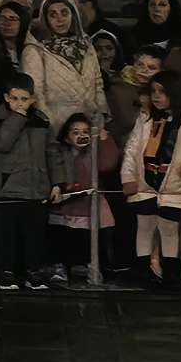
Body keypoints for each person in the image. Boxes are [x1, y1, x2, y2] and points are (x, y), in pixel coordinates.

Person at [122, 72, 181, 284]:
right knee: (145, 226)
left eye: (162, 91)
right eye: (153, 91)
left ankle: (172, 273)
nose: (156, 96)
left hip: (175, 184)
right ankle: (144, 271)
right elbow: (131, 150)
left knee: (169, 228)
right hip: (146, 181)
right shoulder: (145, 119)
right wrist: (127, 176)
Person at [0, 74, 62, 290]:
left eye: (24, 99)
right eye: (15, 98)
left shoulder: (41, 120)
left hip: (37, 187)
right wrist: (17, 118)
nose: (20, 103)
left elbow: (52, 152)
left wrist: (57, 183)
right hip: (8, 188)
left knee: (35, 234)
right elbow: (1, 143)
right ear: (6, 98)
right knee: (6, 234)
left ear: (32, 99)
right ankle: (6, 272)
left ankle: (34, 271)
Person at [46, 113, 117, 285]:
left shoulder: (94, 152)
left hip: (89, 205)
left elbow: (107, 165)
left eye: (85, 132)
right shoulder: (60, 154)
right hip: (66, 204)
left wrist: (104, 139)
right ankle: (61, 267)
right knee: (63, 237)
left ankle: (90, 266)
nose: (81, 136)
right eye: (75, 132)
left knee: (90, 238)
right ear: (67, 137)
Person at [23, 0, 109, 133]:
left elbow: (97, 83)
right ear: (45, 19)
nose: (60, 19)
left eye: (64, 13)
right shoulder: (35, 50)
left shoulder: (85, 45)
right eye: (53, 15)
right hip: (57, 127)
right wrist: (50, 124)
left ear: (73, 15)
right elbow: (36, 93)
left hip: (89, 123)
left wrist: (101, 114)